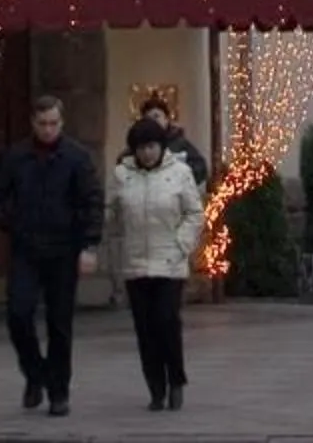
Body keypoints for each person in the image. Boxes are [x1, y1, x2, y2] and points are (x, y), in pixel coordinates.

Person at [0, 94, 103, 418]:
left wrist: (89, 246)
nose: (48, 130)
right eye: (42, 124)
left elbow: (92, 202)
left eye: (54, 123)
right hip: (26, 248)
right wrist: (11, 222)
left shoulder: (77, 158)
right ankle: (35, 373)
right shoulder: (17, 157)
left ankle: (59, 391)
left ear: (62, 122)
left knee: (59, 324)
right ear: (33, 123)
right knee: (18, 314)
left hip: (63, 250)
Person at [107, 114, 204, 413]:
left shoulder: (180, 173)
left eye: (151, 146)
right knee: (145, 329)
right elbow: (112, 213)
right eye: (141, 148)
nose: (147, 153)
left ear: (161, 146)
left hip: (169, 263)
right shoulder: (122, 175)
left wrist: (181, 245)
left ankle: (175, 380)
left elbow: (194, 214)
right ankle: (155, 388)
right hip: (136, 264)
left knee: (166, 322)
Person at [125, 95, 209, 190]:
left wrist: (179, 181)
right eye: (148, 118)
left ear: (167, 119)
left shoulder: (180, 143)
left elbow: (200, 168)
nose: (153, 121)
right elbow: (124, 163)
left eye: (156, 116)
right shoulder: (138, 142)